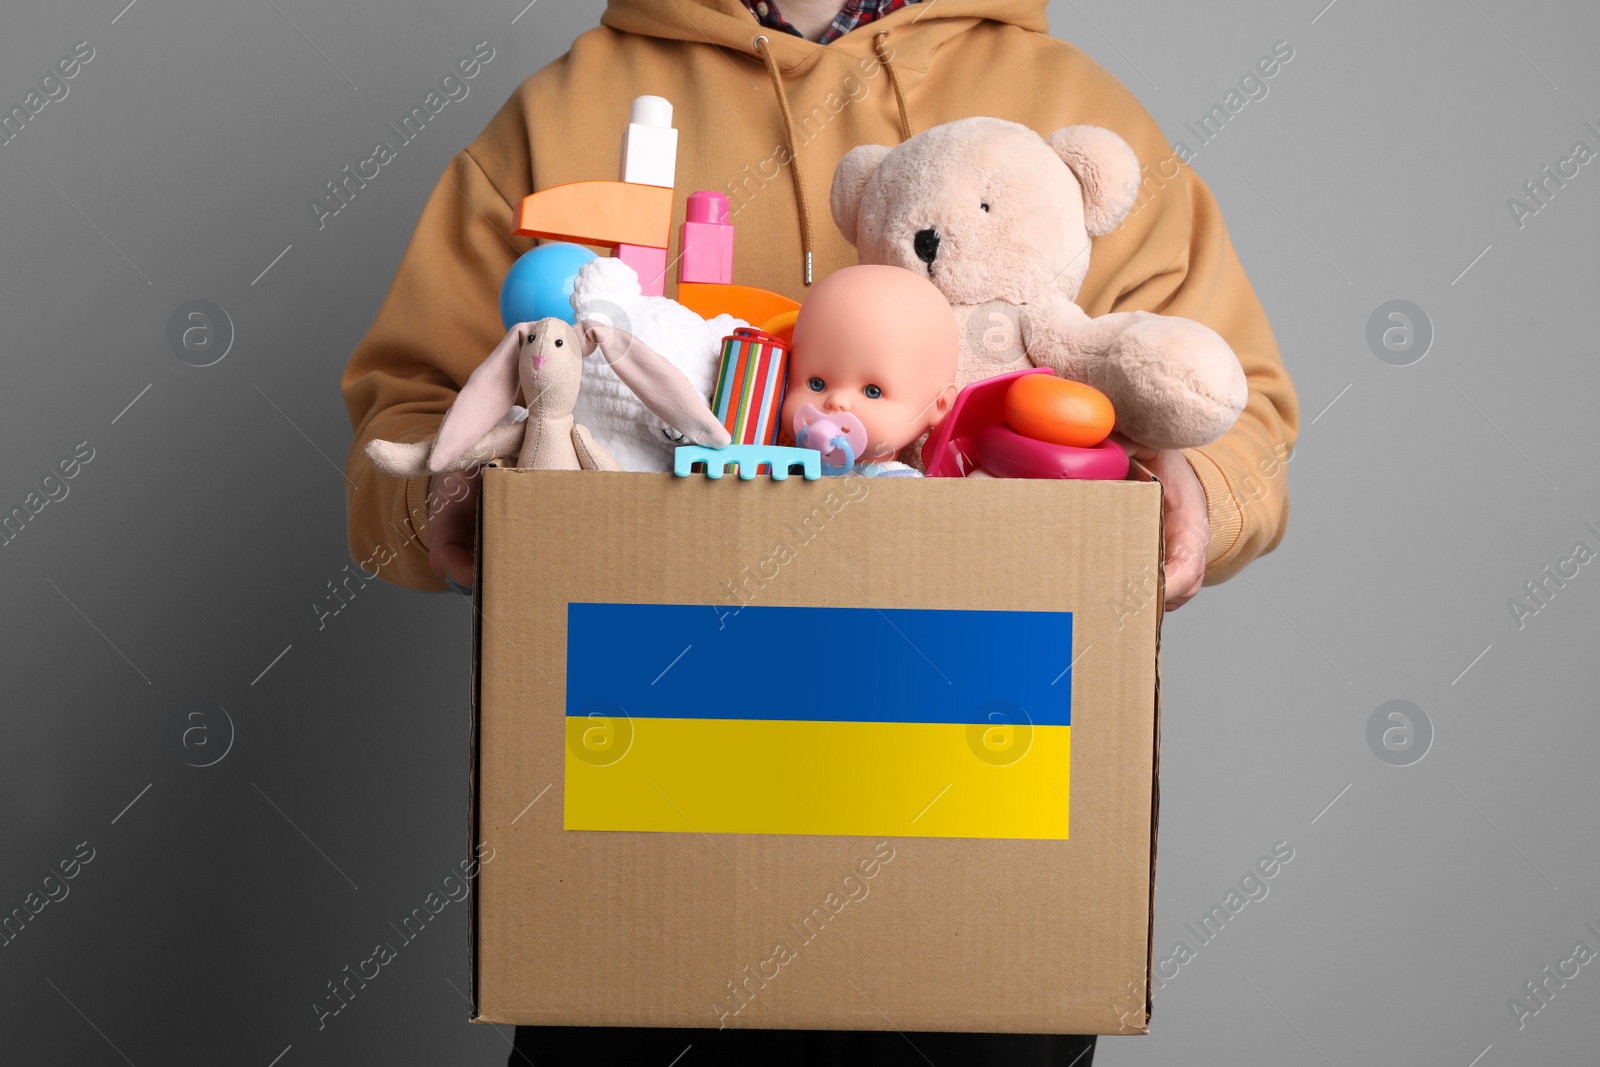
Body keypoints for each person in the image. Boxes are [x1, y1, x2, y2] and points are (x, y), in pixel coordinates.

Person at [340, 1, 1299, 1063]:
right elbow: (408, 421)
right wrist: (457, 498)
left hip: (973, 842)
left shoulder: (1070, 105)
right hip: (642, 880)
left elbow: (1239, 412)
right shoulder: (562, 114)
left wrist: (1195, 486)